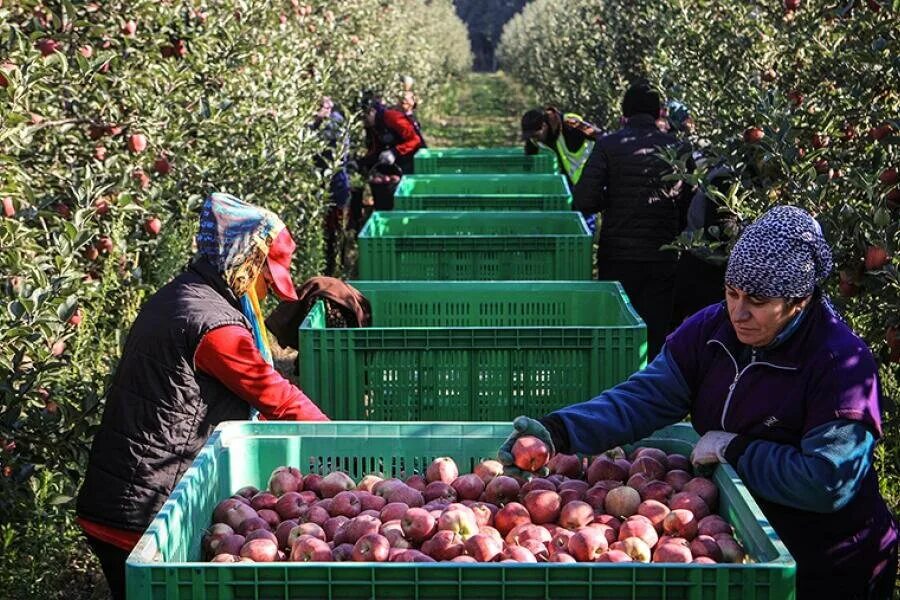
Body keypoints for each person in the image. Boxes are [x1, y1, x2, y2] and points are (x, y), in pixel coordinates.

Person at [498, 206, 898, 600]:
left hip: (830, 562)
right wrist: (558, 430)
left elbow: (829, 480)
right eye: (732, 293)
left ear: (798, 301)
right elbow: (644, 397)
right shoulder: (711, 331)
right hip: (744, 543)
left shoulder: (837, 363)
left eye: (757, 301)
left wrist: (735, 448)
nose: (739, 312)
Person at [75, 193, 330, 600]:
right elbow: (277, 397)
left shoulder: (184, 295)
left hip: (124, 495)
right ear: (246, 262)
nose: (266, 293)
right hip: (142, 511)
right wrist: (341, 439)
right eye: (267, 278)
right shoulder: (214, 326)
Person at [573, 81, 695, 360]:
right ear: (658, 113)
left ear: (625, 112)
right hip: (662, 255)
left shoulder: (608, 145)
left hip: (617, 254)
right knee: (655, 331)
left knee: (617, 330)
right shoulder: (678, 148)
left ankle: (615, 390)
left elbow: (583, 200)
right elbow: (691, 206)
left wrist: (613, 202)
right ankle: (650, 394)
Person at [311, 96, 351, 275]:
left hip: (335, 184)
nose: (325, 109)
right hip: (317, 185)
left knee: (336, 226)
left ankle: (337, 264)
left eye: (327, 106)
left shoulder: (336, 123)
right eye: (321, 106)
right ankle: (324, 265)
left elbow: (341, 155)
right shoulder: (309, 124)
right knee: (321, 228)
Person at [521, 106, 600, 189]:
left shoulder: (570, 122)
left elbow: (601, 137)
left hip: (594, 179)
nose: (534, 139)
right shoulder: (535, 139)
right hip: (571, 186)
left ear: (544, 126)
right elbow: (528, 163)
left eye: (535, 135)